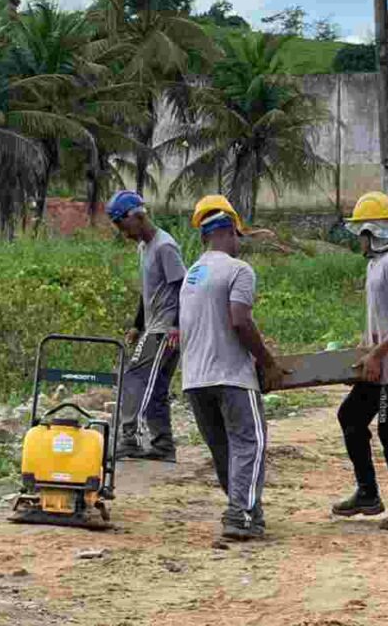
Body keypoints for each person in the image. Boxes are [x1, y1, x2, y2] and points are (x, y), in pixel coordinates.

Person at [180, 195, 284, 541]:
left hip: (195, 380)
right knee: (249, 443)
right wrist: (267, 363)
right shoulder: (239, 270)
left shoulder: (192, 275)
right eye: (238, 236)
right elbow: (240, 321)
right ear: (230, 232)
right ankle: (240, 514)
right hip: (231, 377)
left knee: (224, 449)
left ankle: (245, 511)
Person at [332, 191, 388, 532]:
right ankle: (368, 493)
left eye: (361, 232)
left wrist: (377, 353)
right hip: (379, 364)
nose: (358, 238)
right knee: (350, 417)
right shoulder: (376, 264)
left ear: (373, 231)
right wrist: (364, 352)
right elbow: (384, 318)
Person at [107, 190, 186, 462]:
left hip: (165, 329)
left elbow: (182, 287)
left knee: (135, 377)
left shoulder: (165, 246)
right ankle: (163, 445)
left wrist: (176, 326)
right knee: (157, 387)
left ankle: (128, 439)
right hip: (153, 326)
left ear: (138, 216)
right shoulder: (144, 247)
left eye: (121, 224)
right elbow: (147, 292)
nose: (121, 231)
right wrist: (136, 325)